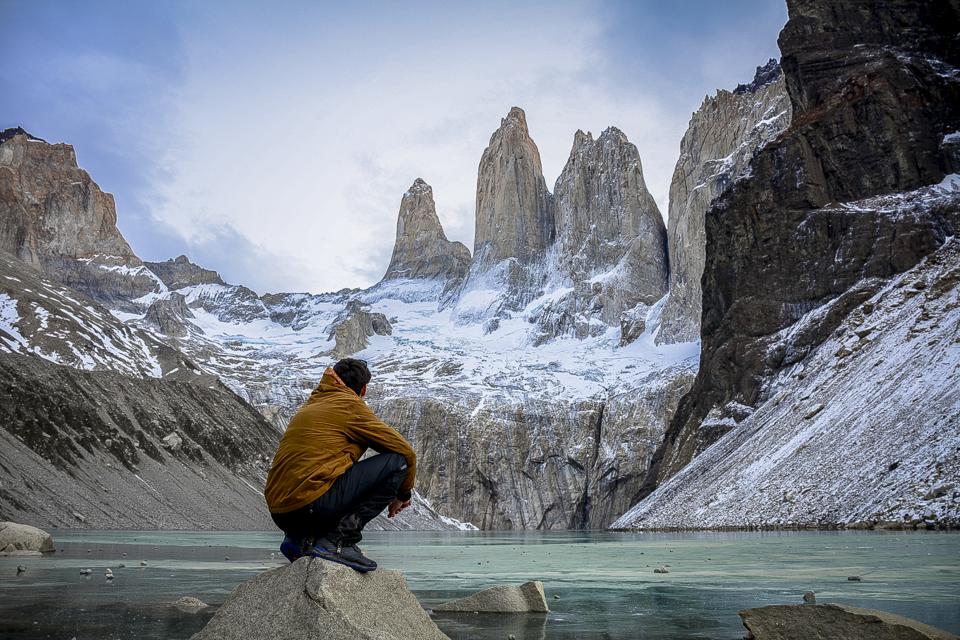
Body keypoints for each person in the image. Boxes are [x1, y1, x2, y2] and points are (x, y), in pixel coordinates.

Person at [264, 358, 416, 572]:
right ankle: (339, 541)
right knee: (397, 463)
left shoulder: (312, 404)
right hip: (309, 508)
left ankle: (301, 540)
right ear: (363, 389)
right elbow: (406, 452)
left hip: (281, 514)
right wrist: (404, 494)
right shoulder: (349, 406)